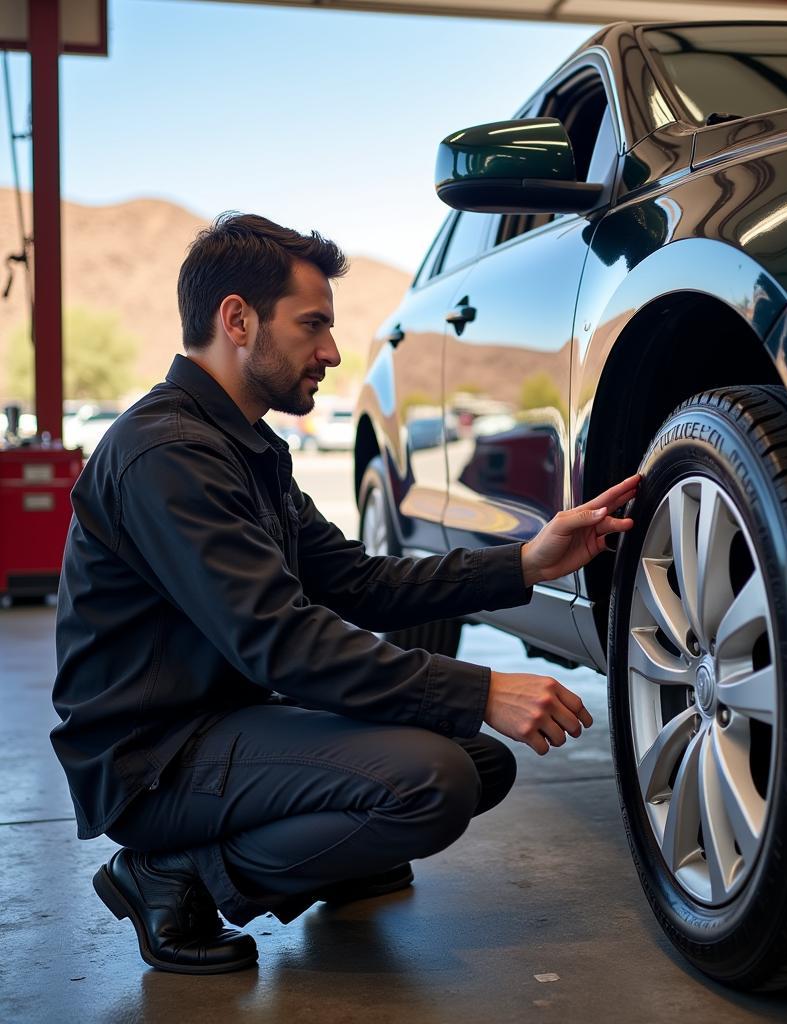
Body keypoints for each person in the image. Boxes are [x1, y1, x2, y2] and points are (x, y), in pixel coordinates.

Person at [51, 213, 639, 975]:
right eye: (313, 325)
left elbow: (359, 581)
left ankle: (323, 855)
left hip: (218, 723)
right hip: (151, 759)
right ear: (237, 319)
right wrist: (483, 687)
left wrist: (525, 561)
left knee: (478, 764)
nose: (331, 351)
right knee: (436, 781)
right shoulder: (167, 455)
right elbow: (285, 643)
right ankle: (172, 875)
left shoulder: (243, 446)